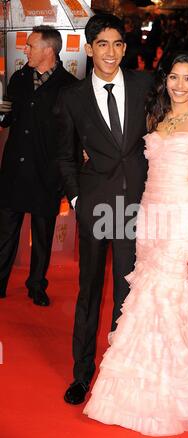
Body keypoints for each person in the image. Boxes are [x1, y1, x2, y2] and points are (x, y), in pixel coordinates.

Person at [83, 51, 188, 436]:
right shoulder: (156, 117)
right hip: (149, 216)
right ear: (165, 80)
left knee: (168, 296)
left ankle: (172, 388)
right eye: (174, 77)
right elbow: (131, 158)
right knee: (144, 297)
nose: (179, 85)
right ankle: (137, 388)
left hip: (183, 217)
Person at [55, 14, 154, 405]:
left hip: (135, 205)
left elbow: (171, 123)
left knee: (126, 292)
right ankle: (82, 373)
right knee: (90, 290)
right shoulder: (72, 98)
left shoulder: (145, 85)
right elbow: (64, 157)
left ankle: (119, 373)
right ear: (90, 48)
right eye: (102, 44)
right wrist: (78, 200)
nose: (110, 52)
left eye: (117, 44)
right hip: (95, 204)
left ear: (125, 49)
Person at [0, 26, 76, 305]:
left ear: (49, 50)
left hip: (46, 172)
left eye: (31, 46)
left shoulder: (69, 87)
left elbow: (72, 136)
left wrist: (66, 176)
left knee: (42, 235)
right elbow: (6, 119)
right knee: (5, 231)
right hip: (14, 169)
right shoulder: (18, 78)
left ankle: (36, 285)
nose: (25, 50)